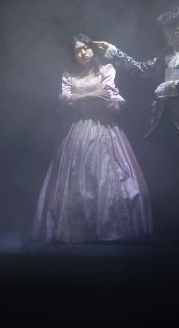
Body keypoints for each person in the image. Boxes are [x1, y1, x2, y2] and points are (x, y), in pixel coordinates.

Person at [94, 6, 179, 244]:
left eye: (165, 30)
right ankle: (172, 229)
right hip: (164, 125)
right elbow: (141, 69)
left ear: (178, 27)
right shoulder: (166, 54)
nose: (163, 35)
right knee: (167, 177)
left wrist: (169, 87)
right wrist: (114, 53)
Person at [30, 34, 153, 244]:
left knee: (108, 177)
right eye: (77, 50)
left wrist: (80, 98)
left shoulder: (106, 69)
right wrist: (91, 95)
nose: (82, 52)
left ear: (92, 49)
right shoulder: (69, 74)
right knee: (77, 180)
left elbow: (108, 95)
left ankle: (110, 227)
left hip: (104, 127)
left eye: (85, 48)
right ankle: (83, 230)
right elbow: (65, 99)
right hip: (78, 128)